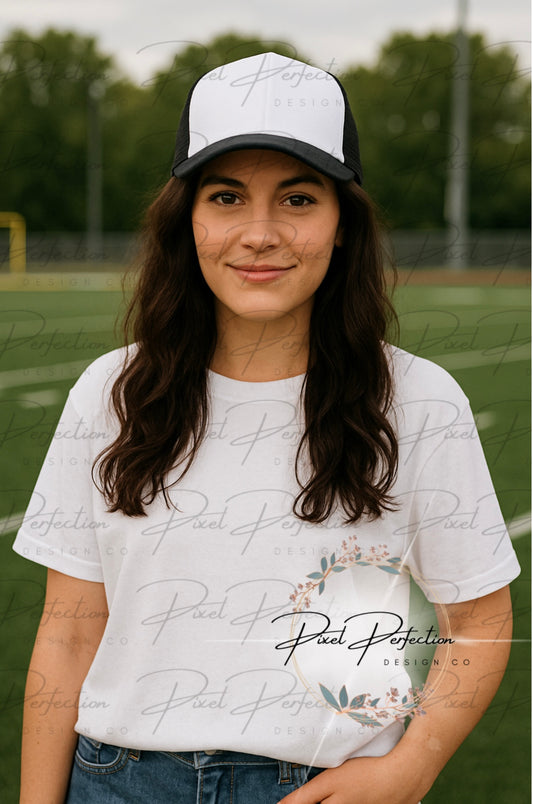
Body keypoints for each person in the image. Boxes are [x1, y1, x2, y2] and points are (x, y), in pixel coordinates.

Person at [14, 52, 520, 804]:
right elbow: (67, 632)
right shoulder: (111, 392)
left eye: (296, 199)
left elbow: (477, 618)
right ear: (187, 220)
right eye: (225, 197)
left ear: (342, 222)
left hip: (319, 786)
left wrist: (410, 768)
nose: (258, 233)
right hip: (117, 780)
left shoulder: (416, 398)